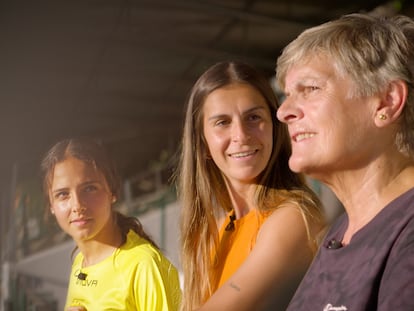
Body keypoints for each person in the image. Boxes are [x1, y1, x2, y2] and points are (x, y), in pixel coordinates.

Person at [276, 13, 414, 311]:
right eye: (287, 96)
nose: (283, 112)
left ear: (387, 101)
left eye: (310, 89)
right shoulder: (341, 232)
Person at [175, 61, 325, 311]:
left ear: (275, 128)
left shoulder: (294, 217)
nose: (241, 135)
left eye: (253, 117)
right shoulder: (218, 232)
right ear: (202, 143)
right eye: (222, 122)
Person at [41, 138, 181, 311]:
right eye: (63, 194)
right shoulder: (79, 262)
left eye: (89, 188)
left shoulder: (144, 265)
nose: (77, 205)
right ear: (51, 206)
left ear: (112, 191)